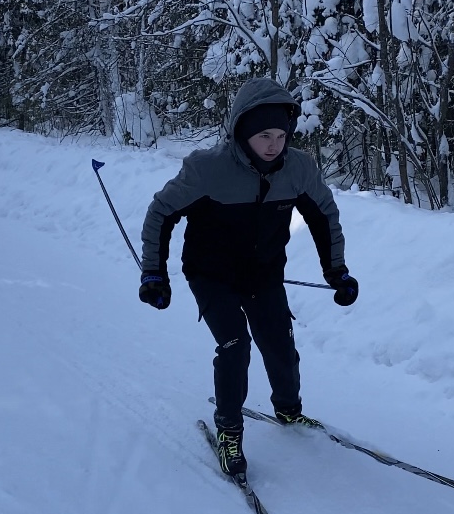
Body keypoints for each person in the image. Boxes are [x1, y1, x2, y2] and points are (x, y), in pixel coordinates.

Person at [139, 79, 358, 476]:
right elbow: (161, 213)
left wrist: (337, 271)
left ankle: (289, 411)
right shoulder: (207, 168)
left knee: (279, 344)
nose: (274, 144)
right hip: (212, 275)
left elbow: (324, 217)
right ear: (242, 130)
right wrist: (154, 272)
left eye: (280, 135)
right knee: (235, 345)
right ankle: (229, 431)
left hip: (264, 274)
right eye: (264, 135)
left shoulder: (298, 169)